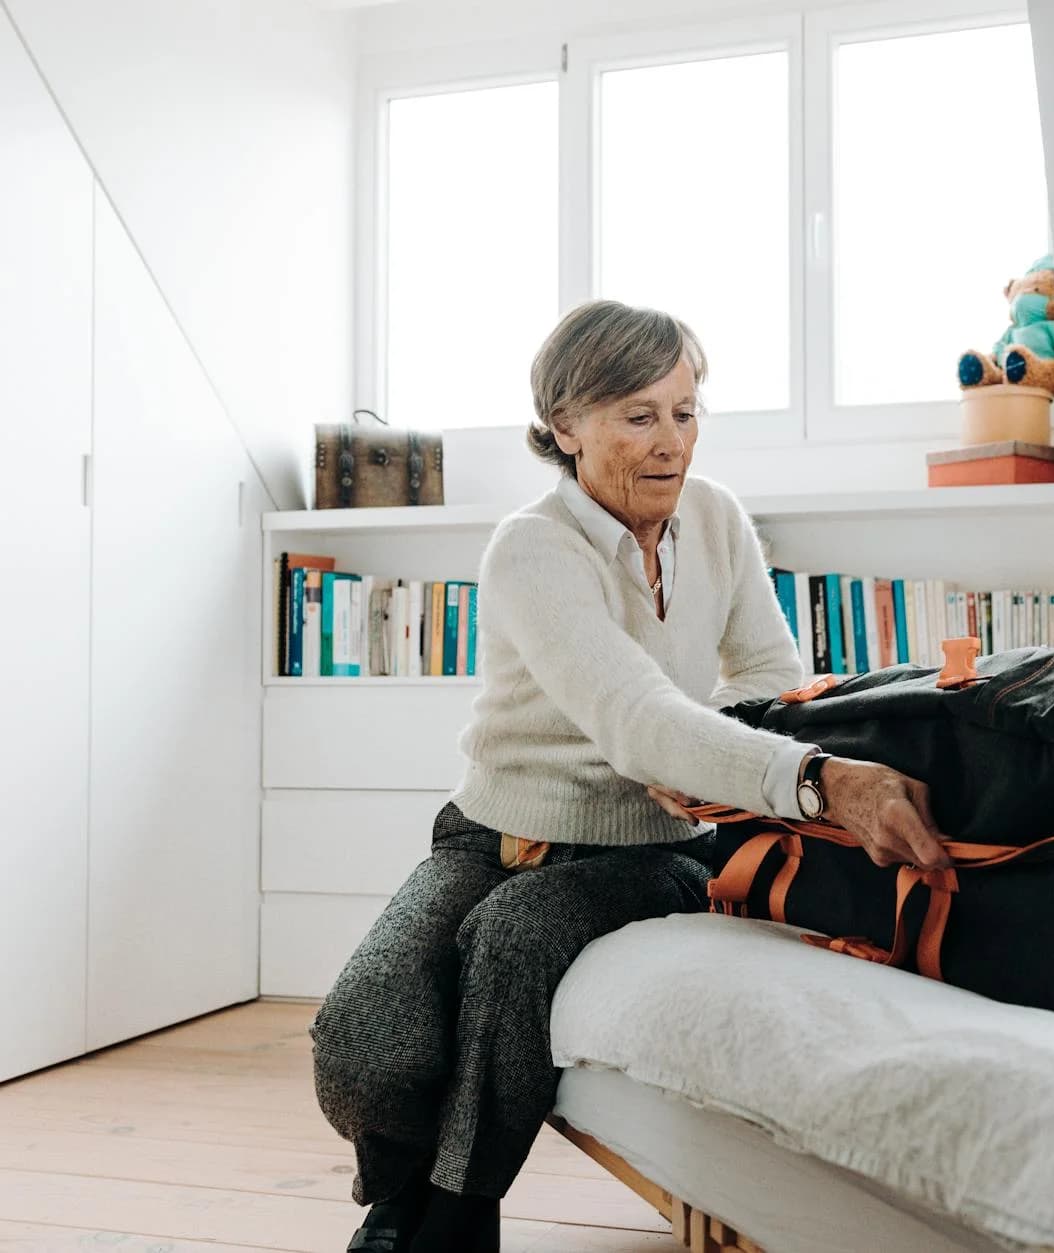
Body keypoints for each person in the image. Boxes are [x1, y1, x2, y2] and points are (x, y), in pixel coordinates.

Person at [310, 301, 949, 1252]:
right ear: (565, 427)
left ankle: (451, 1218)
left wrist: (702, 760)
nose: (671, 444)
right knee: (361, 1039)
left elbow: (770, 678)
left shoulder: (719, 520)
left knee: (513, 941)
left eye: (685, 413)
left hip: (657, 848)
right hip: (492, 832)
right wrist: (821, 780)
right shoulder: (532, 548)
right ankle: (400, 1192)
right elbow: (632, 716)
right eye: (638, 417)